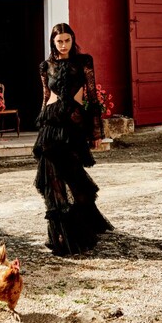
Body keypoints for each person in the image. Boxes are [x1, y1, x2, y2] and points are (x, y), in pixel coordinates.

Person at [33, 22, 113, 256]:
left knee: (75, 179)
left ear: (72, 40)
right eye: (60, 41)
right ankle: (60, 235)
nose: (64, 45)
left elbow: (91, 95)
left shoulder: (83, 62)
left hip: (73, 128)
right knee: (53, 182)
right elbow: (46, 97)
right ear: (53, 42)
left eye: (67, 40)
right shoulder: (45, 66)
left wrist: (96, 130)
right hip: (50, 127)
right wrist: (41, 127)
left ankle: (84, 226)